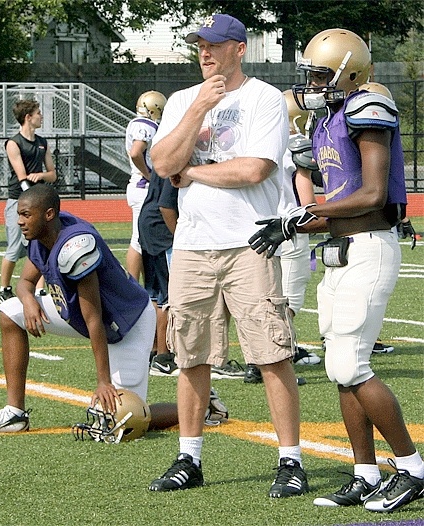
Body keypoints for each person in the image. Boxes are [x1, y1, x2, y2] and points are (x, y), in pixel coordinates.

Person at [250, 28, 424, 512]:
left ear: (349, 72)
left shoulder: (368, 108)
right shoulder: (325, 120)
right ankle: (365, 472)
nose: (312, 83)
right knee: (340, 369)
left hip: (370, 246)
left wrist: (300, 218)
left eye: (321, 74)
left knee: (351, 364)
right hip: (341, 250)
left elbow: (370, 195)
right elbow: (338, 204)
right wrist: (293, 226)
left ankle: (412, 466)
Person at [148, 14, 308, 497]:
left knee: (270, 353)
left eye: (215, 45)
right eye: (200, 45)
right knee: (190, 355)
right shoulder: (181, 100)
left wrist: (193, 173)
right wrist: (198, 108)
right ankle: (188, 458)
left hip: (248, 241)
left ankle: (291, 461)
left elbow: (255, 168)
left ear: (240, 49)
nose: (205, 52)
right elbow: (161, 162)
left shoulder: (262, 98)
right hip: (194, 245)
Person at [0, 185, 227, 434]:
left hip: (126, 323)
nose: (20, 222)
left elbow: (95, 319)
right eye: (19, 215)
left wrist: (103, 381)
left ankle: (202, 407)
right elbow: (24, 283)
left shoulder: (76, 246)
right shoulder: (42, 234)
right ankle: (15, 413)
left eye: (26, 215)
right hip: (76, 313)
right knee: (9, 311)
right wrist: (28, 301)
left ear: (48, 214)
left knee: (125, 418)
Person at [244, 90, 320, 385]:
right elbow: (306, 199)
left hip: (256, 225)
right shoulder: (295, 144)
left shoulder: (254, 141)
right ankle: (275, 360)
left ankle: (255, 360)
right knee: (288, 300)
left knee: (260, 298)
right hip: (287, 229)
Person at [0, 99, 57, 303]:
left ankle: (40, 289)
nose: (41, 116)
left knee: (40, 244)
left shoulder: (43, 142)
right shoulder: (13, 143)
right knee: (14, 248)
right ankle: (4, 289)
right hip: (18, 202)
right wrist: (31, 197)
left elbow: (52, 175)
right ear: (28, 117)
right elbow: (22, 177)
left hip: (38, 202)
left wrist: (40, 176)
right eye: (38, 113)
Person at [138, 168, 180, 376]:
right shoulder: (176, 161)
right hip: (162, 229)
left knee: (154, 294)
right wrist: (179, 236)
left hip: (149, 223)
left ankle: (153, 350)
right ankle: (163, 355)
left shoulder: (164, 155)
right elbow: (166, 205)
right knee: (167, 296)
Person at [125, 91, 167, 281]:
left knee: (142, 239)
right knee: (138, 239)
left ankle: (142, 284)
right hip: (142, 187)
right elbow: (136, 153)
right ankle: (132, 284)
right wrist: (149, 174)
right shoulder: (146, 125)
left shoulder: (136, 123)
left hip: (137, 186)